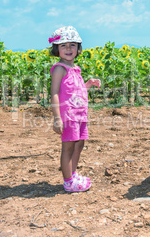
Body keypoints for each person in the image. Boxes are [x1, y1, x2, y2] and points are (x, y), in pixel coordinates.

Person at [49, 26, 101, 192]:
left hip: (80, 115)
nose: (68, 49)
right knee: (68, 147)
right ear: (56, 49)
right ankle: (68, 181)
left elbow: (76, 91)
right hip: (68, 116)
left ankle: (72, 173)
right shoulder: (59, 69)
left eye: (72, 45)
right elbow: (55, 93)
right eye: (63, 45)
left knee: (79, 145)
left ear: (78, 48)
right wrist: (57, 118)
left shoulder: (75, 69)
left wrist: (89, 84)